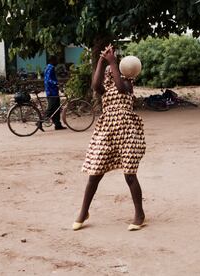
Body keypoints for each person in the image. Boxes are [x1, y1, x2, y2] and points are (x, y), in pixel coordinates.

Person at [73, 45, 146, 231]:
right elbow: (95, 86)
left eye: (111, 69)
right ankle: (83, 212)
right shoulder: (105, 88)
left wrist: (112, 62)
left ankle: (140, 215)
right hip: (107, 130)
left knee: (130, 174)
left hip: (127, 131)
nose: (108, 71)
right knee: (95, 173)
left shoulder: (127, 84)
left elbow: (121, 88)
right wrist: (101, 60)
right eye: (108, 69)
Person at [43, 55, 66, 130]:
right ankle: (40, 122)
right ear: (52, 61)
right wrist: (56, 83)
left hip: (51, 91)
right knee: (52, 108)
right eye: (56, 60)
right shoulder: (51, 67)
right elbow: (48, 80)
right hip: (52, 91)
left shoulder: (47, 67)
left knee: (56, 108)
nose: (57, 62)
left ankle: (57, 124)